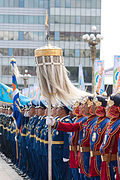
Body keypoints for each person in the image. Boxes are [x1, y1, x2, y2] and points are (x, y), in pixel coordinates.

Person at [47, 96, 98, 180]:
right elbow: (72, 127)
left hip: (89, 156)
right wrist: (54, 124)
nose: (81, 107)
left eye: (84, 104)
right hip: (81, 155)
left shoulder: (95, 120)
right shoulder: (86, 120)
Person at [89, 95, 110, 180]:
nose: (93, 107)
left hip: (99, 159)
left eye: (95, 105)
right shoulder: (96, 121)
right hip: (92, 158)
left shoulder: (106, 122)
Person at [100, 93, 120, 180]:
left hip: (113, 164)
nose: (106, 108)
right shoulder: (112, 123)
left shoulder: (118, 124)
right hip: (106, 162)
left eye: (109, 106)